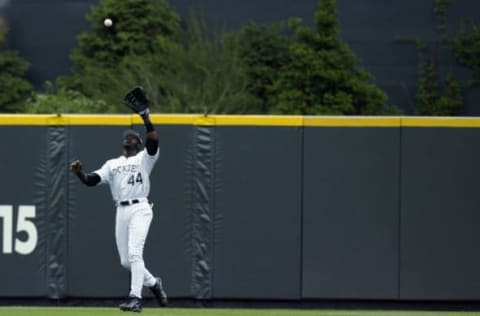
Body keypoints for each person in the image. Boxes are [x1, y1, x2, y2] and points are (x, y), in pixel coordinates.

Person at [70, 109, 167, 312]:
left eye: (132, 137)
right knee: (125, 261)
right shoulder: (112, 164)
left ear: (138, 143)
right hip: (121, 211)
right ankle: (153, 284)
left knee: (134, 254)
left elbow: (153, 141)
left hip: (140, 208)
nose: (128, 138)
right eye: (126, 137)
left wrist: (146, 118)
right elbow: (90, 181)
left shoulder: (144, 158)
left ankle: (135, 298)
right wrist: (80, 174)